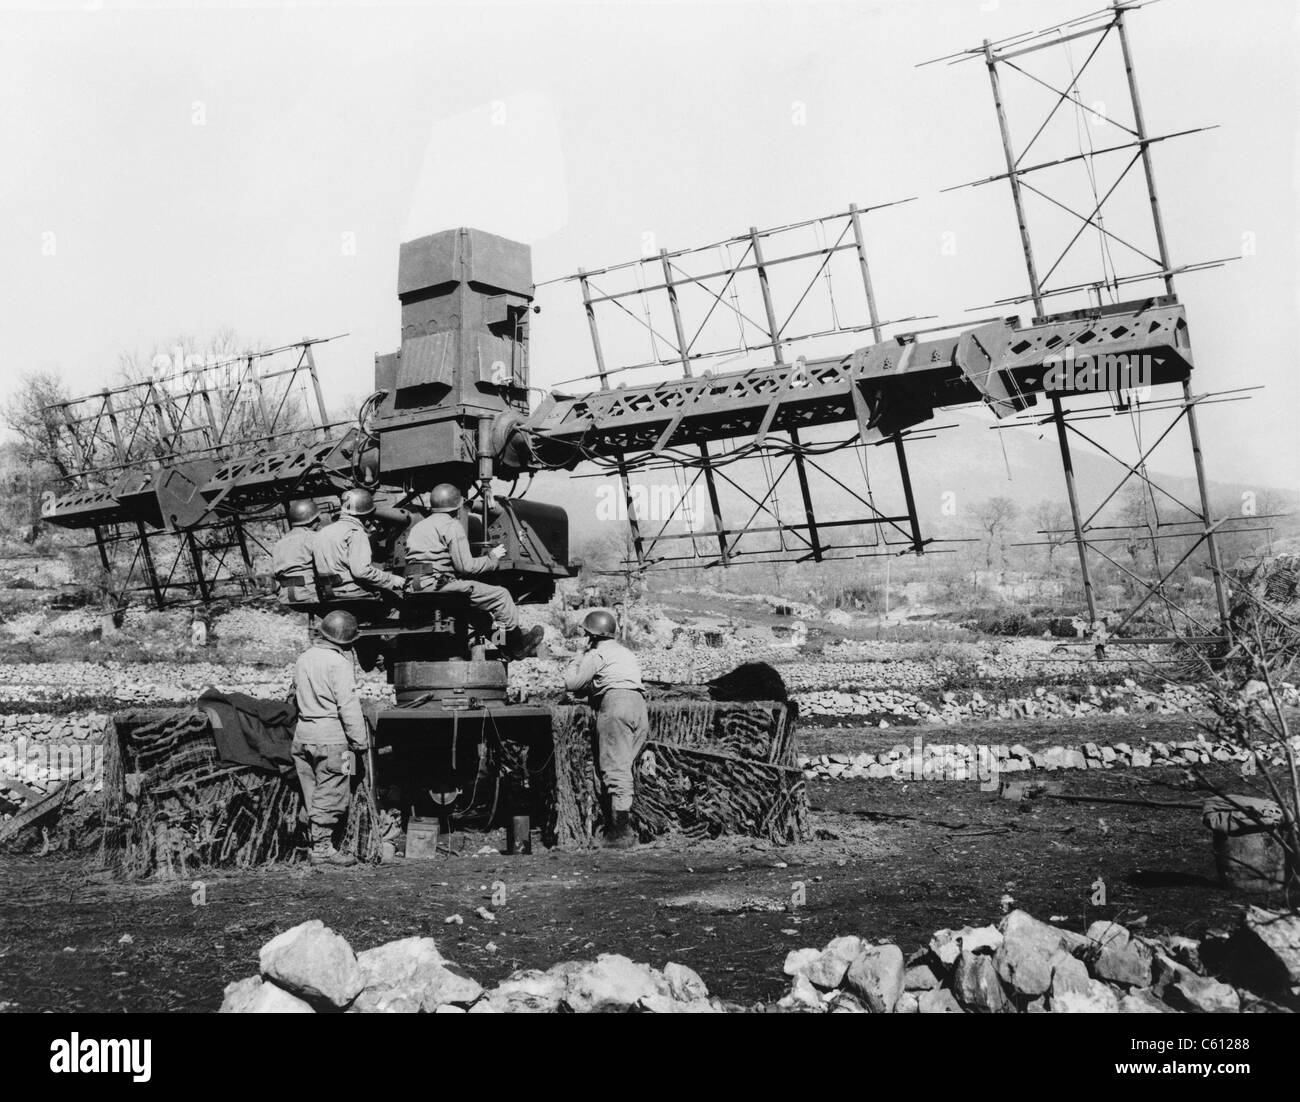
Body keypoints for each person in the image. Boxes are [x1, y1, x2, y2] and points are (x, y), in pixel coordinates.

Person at [405, 482, 543, 659]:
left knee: (479, 615)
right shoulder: (451, 526)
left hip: (415, 586)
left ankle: (504, 646)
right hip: (437, 586)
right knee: (500, 597)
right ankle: (515, 643)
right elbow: (466, 567)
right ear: (457, 507)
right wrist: (492, 558)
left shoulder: (419, 526)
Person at [562, 610, 648, 848]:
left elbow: (572, 683)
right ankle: (620, 825)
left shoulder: (597, 654)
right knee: (625, 766)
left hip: (616, 706)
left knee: (615, 770)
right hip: (638, 706)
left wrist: (577, 657)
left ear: (591, 635)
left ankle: (619, 834)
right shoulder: (625, 652)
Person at [292, 609, 368, 867]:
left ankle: (313, 842)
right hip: (334, 741)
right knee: (334, 793)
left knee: (312, 793)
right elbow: (348, 706)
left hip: (302, 738)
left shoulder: (303, 658)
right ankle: (323, 849)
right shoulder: (339, 664)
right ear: (347, 641)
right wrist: (360, 742)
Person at [312, 487, 403, 601]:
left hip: (327, 593)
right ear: (366, 514)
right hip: (351, 593)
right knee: (396, 597)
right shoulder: (355, 532)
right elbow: (362, 572)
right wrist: (393, 580)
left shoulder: (322, 532)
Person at [271, 498, 322, 605]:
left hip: (286, 597)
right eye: (317, 518)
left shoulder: (279, 543)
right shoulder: (314, 538)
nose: (319, 521)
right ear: (311, 520)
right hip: (311, 595)